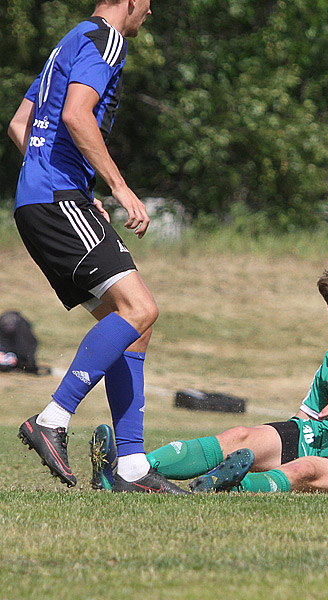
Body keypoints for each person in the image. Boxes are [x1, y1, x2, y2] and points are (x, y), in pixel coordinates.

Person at [7, 0, 185, 493]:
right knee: (140, 308)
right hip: (58, 201)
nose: (150, 12)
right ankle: (53, 419)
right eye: (148, 3)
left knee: (132, 326)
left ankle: (129, 467)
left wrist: (62, 183)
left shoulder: (67, 40)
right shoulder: (107, 39)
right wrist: (119, 189)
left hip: (38, 202)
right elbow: (77, 115)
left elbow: (20, 125)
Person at [106, 253, 328, 494]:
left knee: (305, 470)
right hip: (317, 437)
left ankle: (223, 488)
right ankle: (128, 469)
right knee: (241, 435)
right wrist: (268, 442)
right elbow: (303, 420)